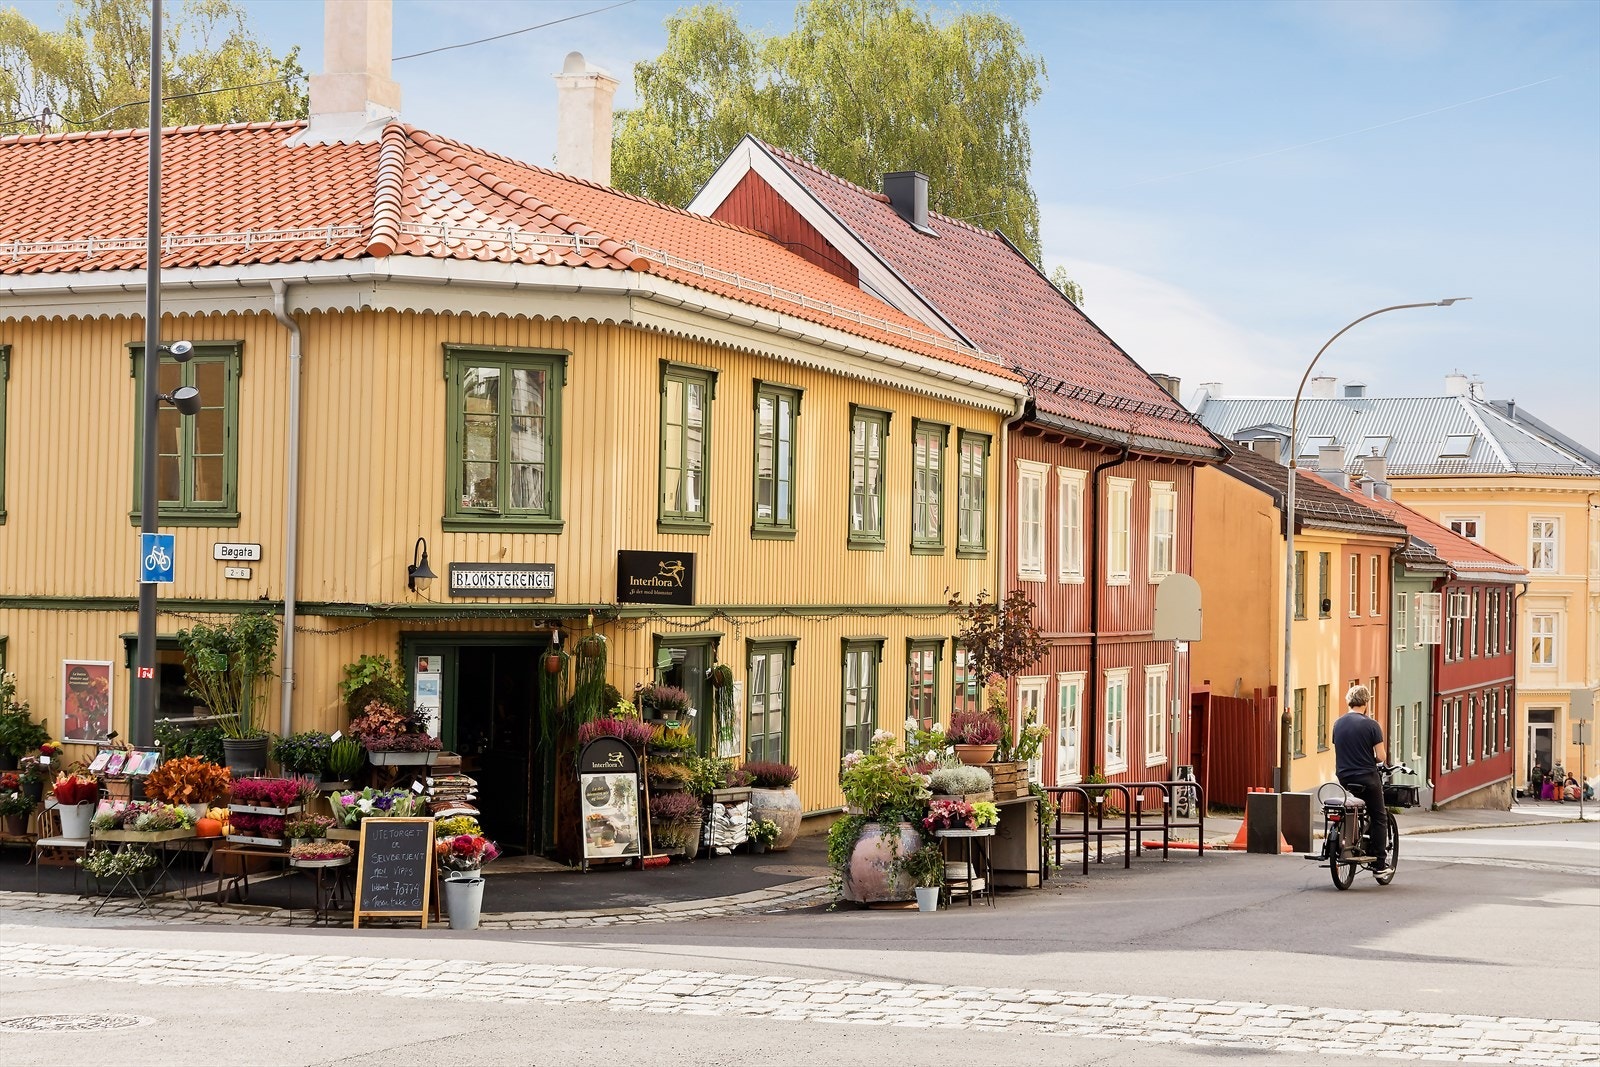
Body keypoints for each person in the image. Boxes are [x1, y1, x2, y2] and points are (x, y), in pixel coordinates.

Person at [1331, 684, 1391, 875]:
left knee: (1354, 807)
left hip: (1344, 776)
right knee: (1379, 816)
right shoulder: (1371, 725)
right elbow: (1381, 757)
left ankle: (1350, 839)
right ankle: (1380, 865)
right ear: (1366, 702)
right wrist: (1370, 760)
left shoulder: (1337, 723)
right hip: (1367, 777)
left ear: (1348, 701)